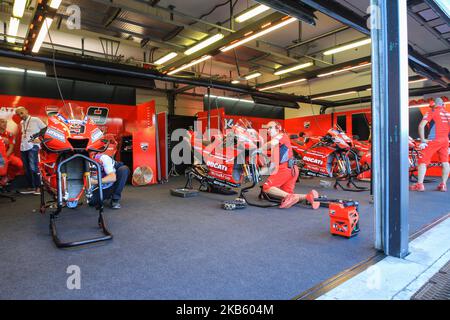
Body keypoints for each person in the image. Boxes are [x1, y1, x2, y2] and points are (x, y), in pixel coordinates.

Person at [261, 121, 318, 209]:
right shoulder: (278, 140)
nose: (268, 130)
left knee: (267, 187)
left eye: (270, 128)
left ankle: (291, 197)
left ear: (278, 128)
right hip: (293, 169)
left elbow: (271, 144)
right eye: (267, 128)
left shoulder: (280, 135)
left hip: (285, 169)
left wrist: (258, 149)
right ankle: (308, 196)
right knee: (286, 194)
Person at [410, 97, 449, 192]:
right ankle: (443, 184)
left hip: (433, 140)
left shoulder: (432, 111)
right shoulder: (448, 114)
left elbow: (421, 125)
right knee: (445, 162)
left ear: (435, 104)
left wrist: (423, 140)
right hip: (445, 140)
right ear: (443, 105)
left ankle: (419, 185)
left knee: (422, 161)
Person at [15, 107, 46, 195]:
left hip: (33, 146)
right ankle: (32, 186)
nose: (20, 115)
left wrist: (40, 139)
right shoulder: (21, 122)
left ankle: (38, 187)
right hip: (23, 147)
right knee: (27, 168)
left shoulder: (35, 120)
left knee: (33, 167)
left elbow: (45, 129)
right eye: (18, 114)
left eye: (21, 113)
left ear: (26, 111)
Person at [0, 118, 23, 184]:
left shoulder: (10, 134)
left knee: (19, 164)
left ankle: (8, 177)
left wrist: (5, 157)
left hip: (7, 155)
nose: (5, 124)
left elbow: (11, 147)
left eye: (6, 122)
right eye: (2, 122)